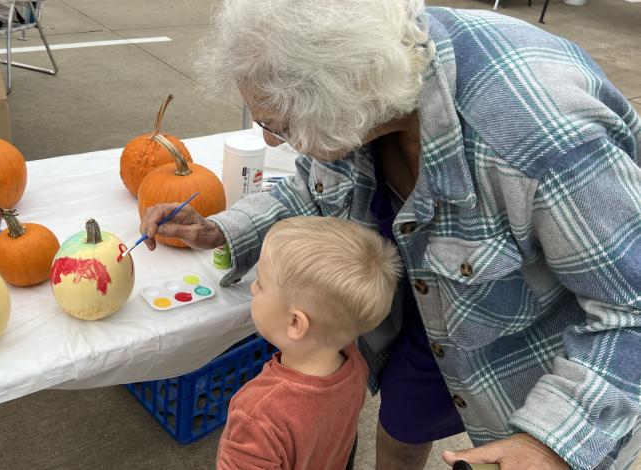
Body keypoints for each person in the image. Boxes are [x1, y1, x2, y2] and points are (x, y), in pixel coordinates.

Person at [139, 0, 641, 468]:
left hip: (529, 349)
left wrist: (552, 442)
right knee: (401, 427)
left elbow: (631, 307)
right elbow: (316, 188)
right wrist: (225, 229)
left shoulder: (540, 141)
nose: (271, 139)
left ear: (348, 93)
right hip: (427, 312)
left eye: (280, 123)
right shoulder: (367, 84)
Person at [216, 216, 401, 470]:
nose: (253, 289)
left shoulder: (257, 414)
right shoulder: (355, 367)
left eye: (260, 283)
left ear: (295, 323)